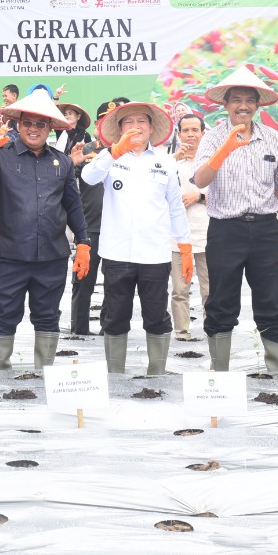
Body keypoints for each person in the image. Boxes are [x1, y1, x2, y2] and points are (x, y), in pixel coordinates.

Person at [0, 88, 90, 370]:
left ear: (50, 127)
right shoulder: (1, 155)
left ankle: (44, 373)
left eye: (41, 124)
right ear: (18, 124)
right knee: (5, 312)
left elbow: (73, 205)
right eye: (28, 123)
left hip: (52, 255)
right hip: (9, 255)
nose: (34, 129)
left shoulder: (62, 161)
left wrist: (83, 242)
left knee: (48, 315)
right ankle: (1, 374)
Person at [192, 66, 278, 371]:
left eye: (249, 100)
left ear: (258, 105)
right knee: (221, 301)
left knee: (271, 301)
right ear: (225, 104)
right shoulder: (213, 138)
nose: (243, 106)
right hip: (226, 230)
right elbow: (200, 180)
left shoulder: (272, 139)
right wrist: (224, 150)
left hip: (266, 230)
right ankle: (220, 371)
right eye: (236, 100)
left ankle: (276, 369)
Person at [80, 102, 191, 375]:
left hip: (155, 253)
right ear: (119, 129)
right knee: (115, 315)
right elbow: (88, 177)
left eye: (141, 121)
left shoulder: (165, 161)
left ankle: (157, 373)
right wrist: (114, 152)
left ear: (151, 128)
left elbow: (175, 207)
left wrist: (185, 245)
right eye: (128, 122)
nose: (135, 127)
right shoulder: (109, 158)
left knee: (156, 316)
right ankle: (115, 373)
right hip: (117, 253)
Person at [68, 102, 109, 336]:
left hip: (117, 229)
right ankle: (79, 329)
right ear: (97, 123)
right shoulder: (85, 149)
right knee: (83, 280)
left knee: (115, 284)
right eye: (103, 120)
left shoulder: (128, 151)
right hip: (89, 226)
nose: (107, 124)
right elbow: (66, 179)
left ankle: (109, 328)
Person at [169, 113, 210, 340]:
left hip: (207, 233)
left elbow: (227, 197)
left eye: (195, 130)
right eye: (186, 130)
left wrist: (199, 196)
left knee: (209, 289)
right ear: (179, 134)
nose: (190, 135)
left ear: (203, 133)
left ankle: (211, 328)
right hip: (177, 236)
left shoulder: (211, 162)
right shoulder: (170, 163)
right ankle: (182, 330)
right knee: (179, 289)